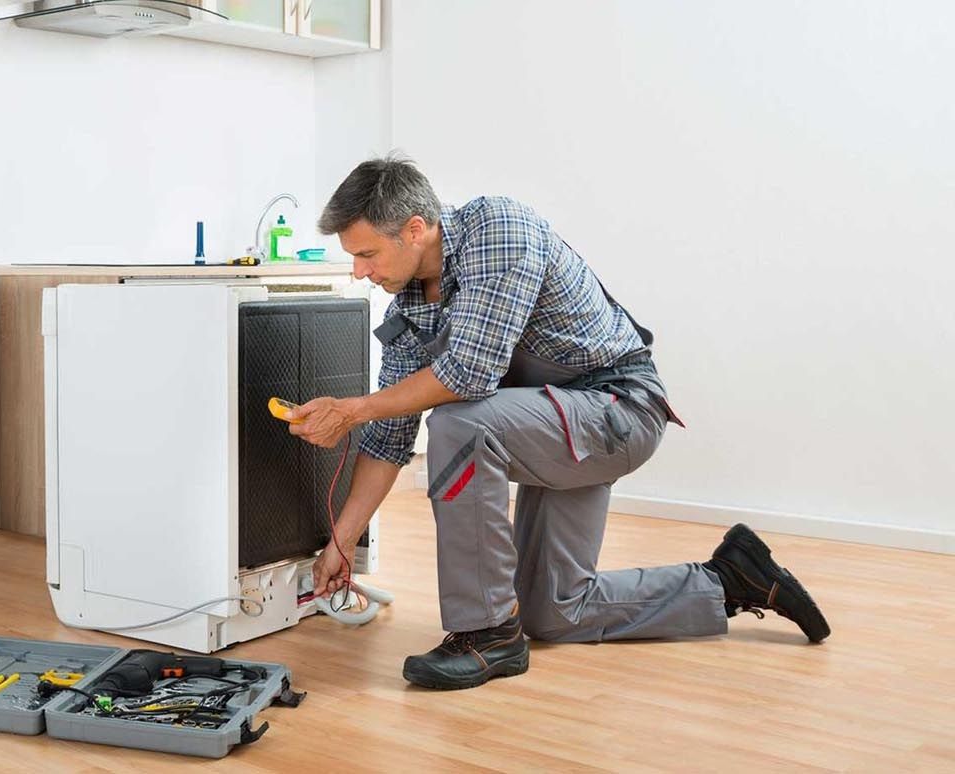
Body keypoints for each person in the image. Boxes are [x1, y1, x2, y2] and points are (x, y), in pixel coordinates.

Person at [290, 155, 829, 690]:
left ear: (414, 230)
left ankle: (486, 634)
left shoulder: (497, 231)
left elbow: (468, 375)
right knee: (555, 612)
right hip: (551, 424)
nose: (359, 271)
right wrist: (343, 541)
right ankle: (730, 579)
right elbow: (389, 438)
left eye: (366, 254)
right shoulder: (409, 309)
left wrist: (353, 408)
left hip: (615, 409)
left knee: (459, 424)